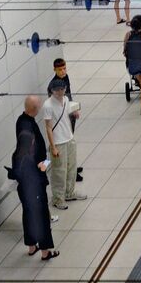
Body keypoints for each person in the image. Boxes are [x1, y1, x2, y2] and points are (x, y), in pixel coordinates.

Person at [13, 103, 58, 260]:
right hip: (34, 185)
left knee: (28, 213)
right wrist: (41, 165)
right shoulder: (27, 150)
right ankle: (45, 251)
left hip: (24, 185)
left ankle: (32, 246)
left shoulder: (22, 121)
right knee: (41, 215)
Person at [42, 82, 83, 210]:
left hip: (69, 138)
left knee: (72, 168)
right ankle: (58, 198)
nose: (60, 92)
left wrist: (74, 114)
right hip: (58, 142)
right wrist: (53, 147)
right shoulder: (48, 105)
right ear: (52, 91)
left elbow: (65, 116)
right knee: (59, 171)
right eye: (57, 90)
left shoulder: (65, 99)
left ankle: (69, 192)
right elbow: (48, 127)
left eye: (62, 89)